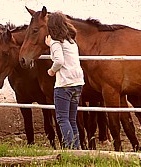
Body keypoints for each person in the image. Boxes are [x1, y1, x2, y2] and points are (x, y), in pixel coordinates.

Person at [45, 12, 85, 149]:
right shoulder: (72, 42)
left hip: (64, 84)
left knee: (62, 118)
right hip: (77, 83)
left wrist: (52, 70)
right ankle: (76, 147)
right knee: (72, 119)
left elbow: (59, 61)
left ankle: (71, 147)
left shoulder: (56, 43)